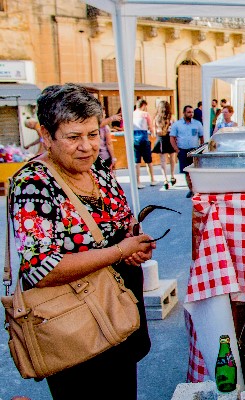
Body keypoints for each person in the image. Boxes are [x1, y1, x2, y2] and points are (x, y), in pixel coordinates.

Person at [9, 83, 155, 399]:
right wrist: (118, 251)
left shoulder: (98, 171)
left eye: (91, 135)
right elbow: (41, 268)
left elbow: (122, 223)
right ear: (46, 136)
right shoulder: (32, 186)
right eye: (73, 137)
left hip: (118, 314)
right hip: (75, 329)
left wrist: (135, 246)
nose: (86, 146)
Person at [170, 105, 204, 198]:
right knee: (187, 172)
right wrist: (177, 150)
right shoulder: (177, 124)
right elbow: (172, 137)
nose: (191, 114)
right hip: (183, 151)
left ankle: (198, 189)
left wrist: (201, 149)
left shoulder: (197, 124)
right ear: (184, 113)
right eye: (189, 112)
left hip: (195, 151)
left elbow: (202, 137)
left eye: (192, 112)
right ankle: (191, 190)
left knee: (196, 171)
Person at [152, 100, 178, 189]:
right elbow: (175, 129)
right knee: (172, 159)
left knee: (162, 161)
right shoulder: (172, 117)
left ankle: (165, 179)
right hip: (170, 137)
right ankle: (172, 176)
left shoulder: (156, 118)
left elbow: (154, 132)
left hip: (161, 138)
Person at [132, 99, 157, 187]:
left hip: (134, 139)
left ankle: (137, 182)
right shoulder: (145, 114)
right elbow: (151, 126)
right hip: (144, 138)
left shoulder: (132, 114)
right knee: (148, 161)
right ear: (143, 105)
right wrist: (153, 132)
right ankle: (152, 179)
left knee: (136, 162)